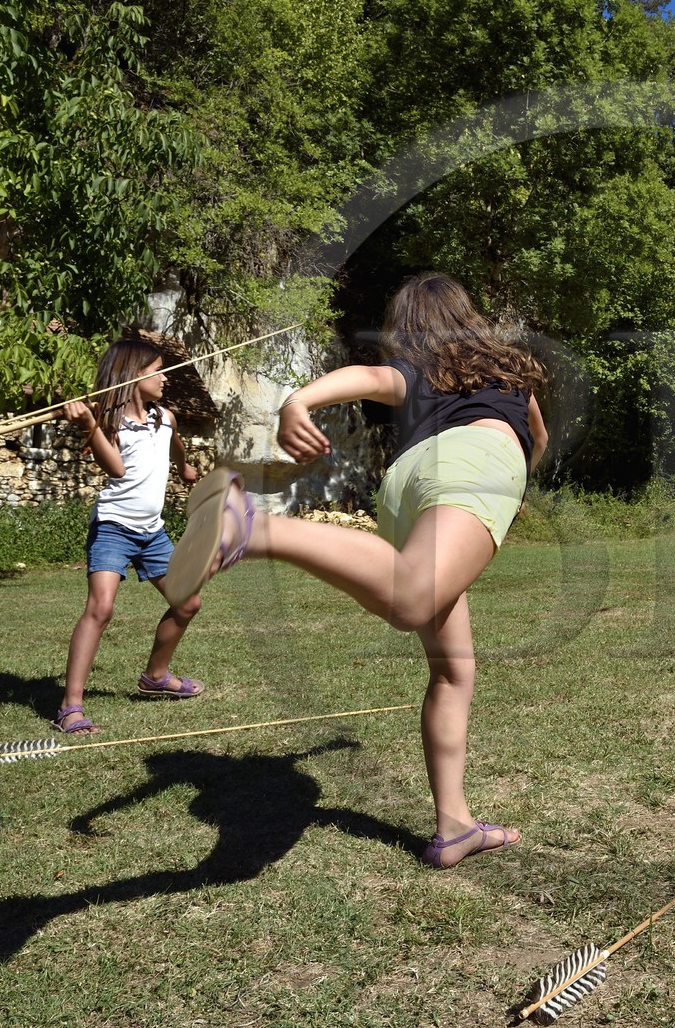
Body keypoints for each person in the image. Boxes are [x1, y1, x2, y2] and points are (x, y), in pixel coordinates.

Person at [165, 273, 547, 869]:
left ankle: (455, 827)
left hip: (406, 485)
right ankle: (252, 525)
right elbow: (536, 442)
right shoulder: (510, 375)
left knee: (453, 671)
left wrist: (299, 401)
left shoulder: (417, 373)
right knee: (414, 600)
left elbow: (366, 379)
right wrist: (512, 480)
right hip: (477, 461)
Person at [53, 339, 206, 735]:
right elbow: (116, 468)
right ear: (134, 374)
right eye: (158, 369)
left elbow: (175, 444)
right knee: (100, 609)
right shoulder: (107, 420)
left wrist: (185, 466)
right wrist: (88, 426)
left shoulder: (165, 417)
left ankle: (156, 676)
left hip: (152, 532)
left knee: (187, 602)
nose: (165, 377)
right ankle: (71, 705)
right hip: (113, 527)